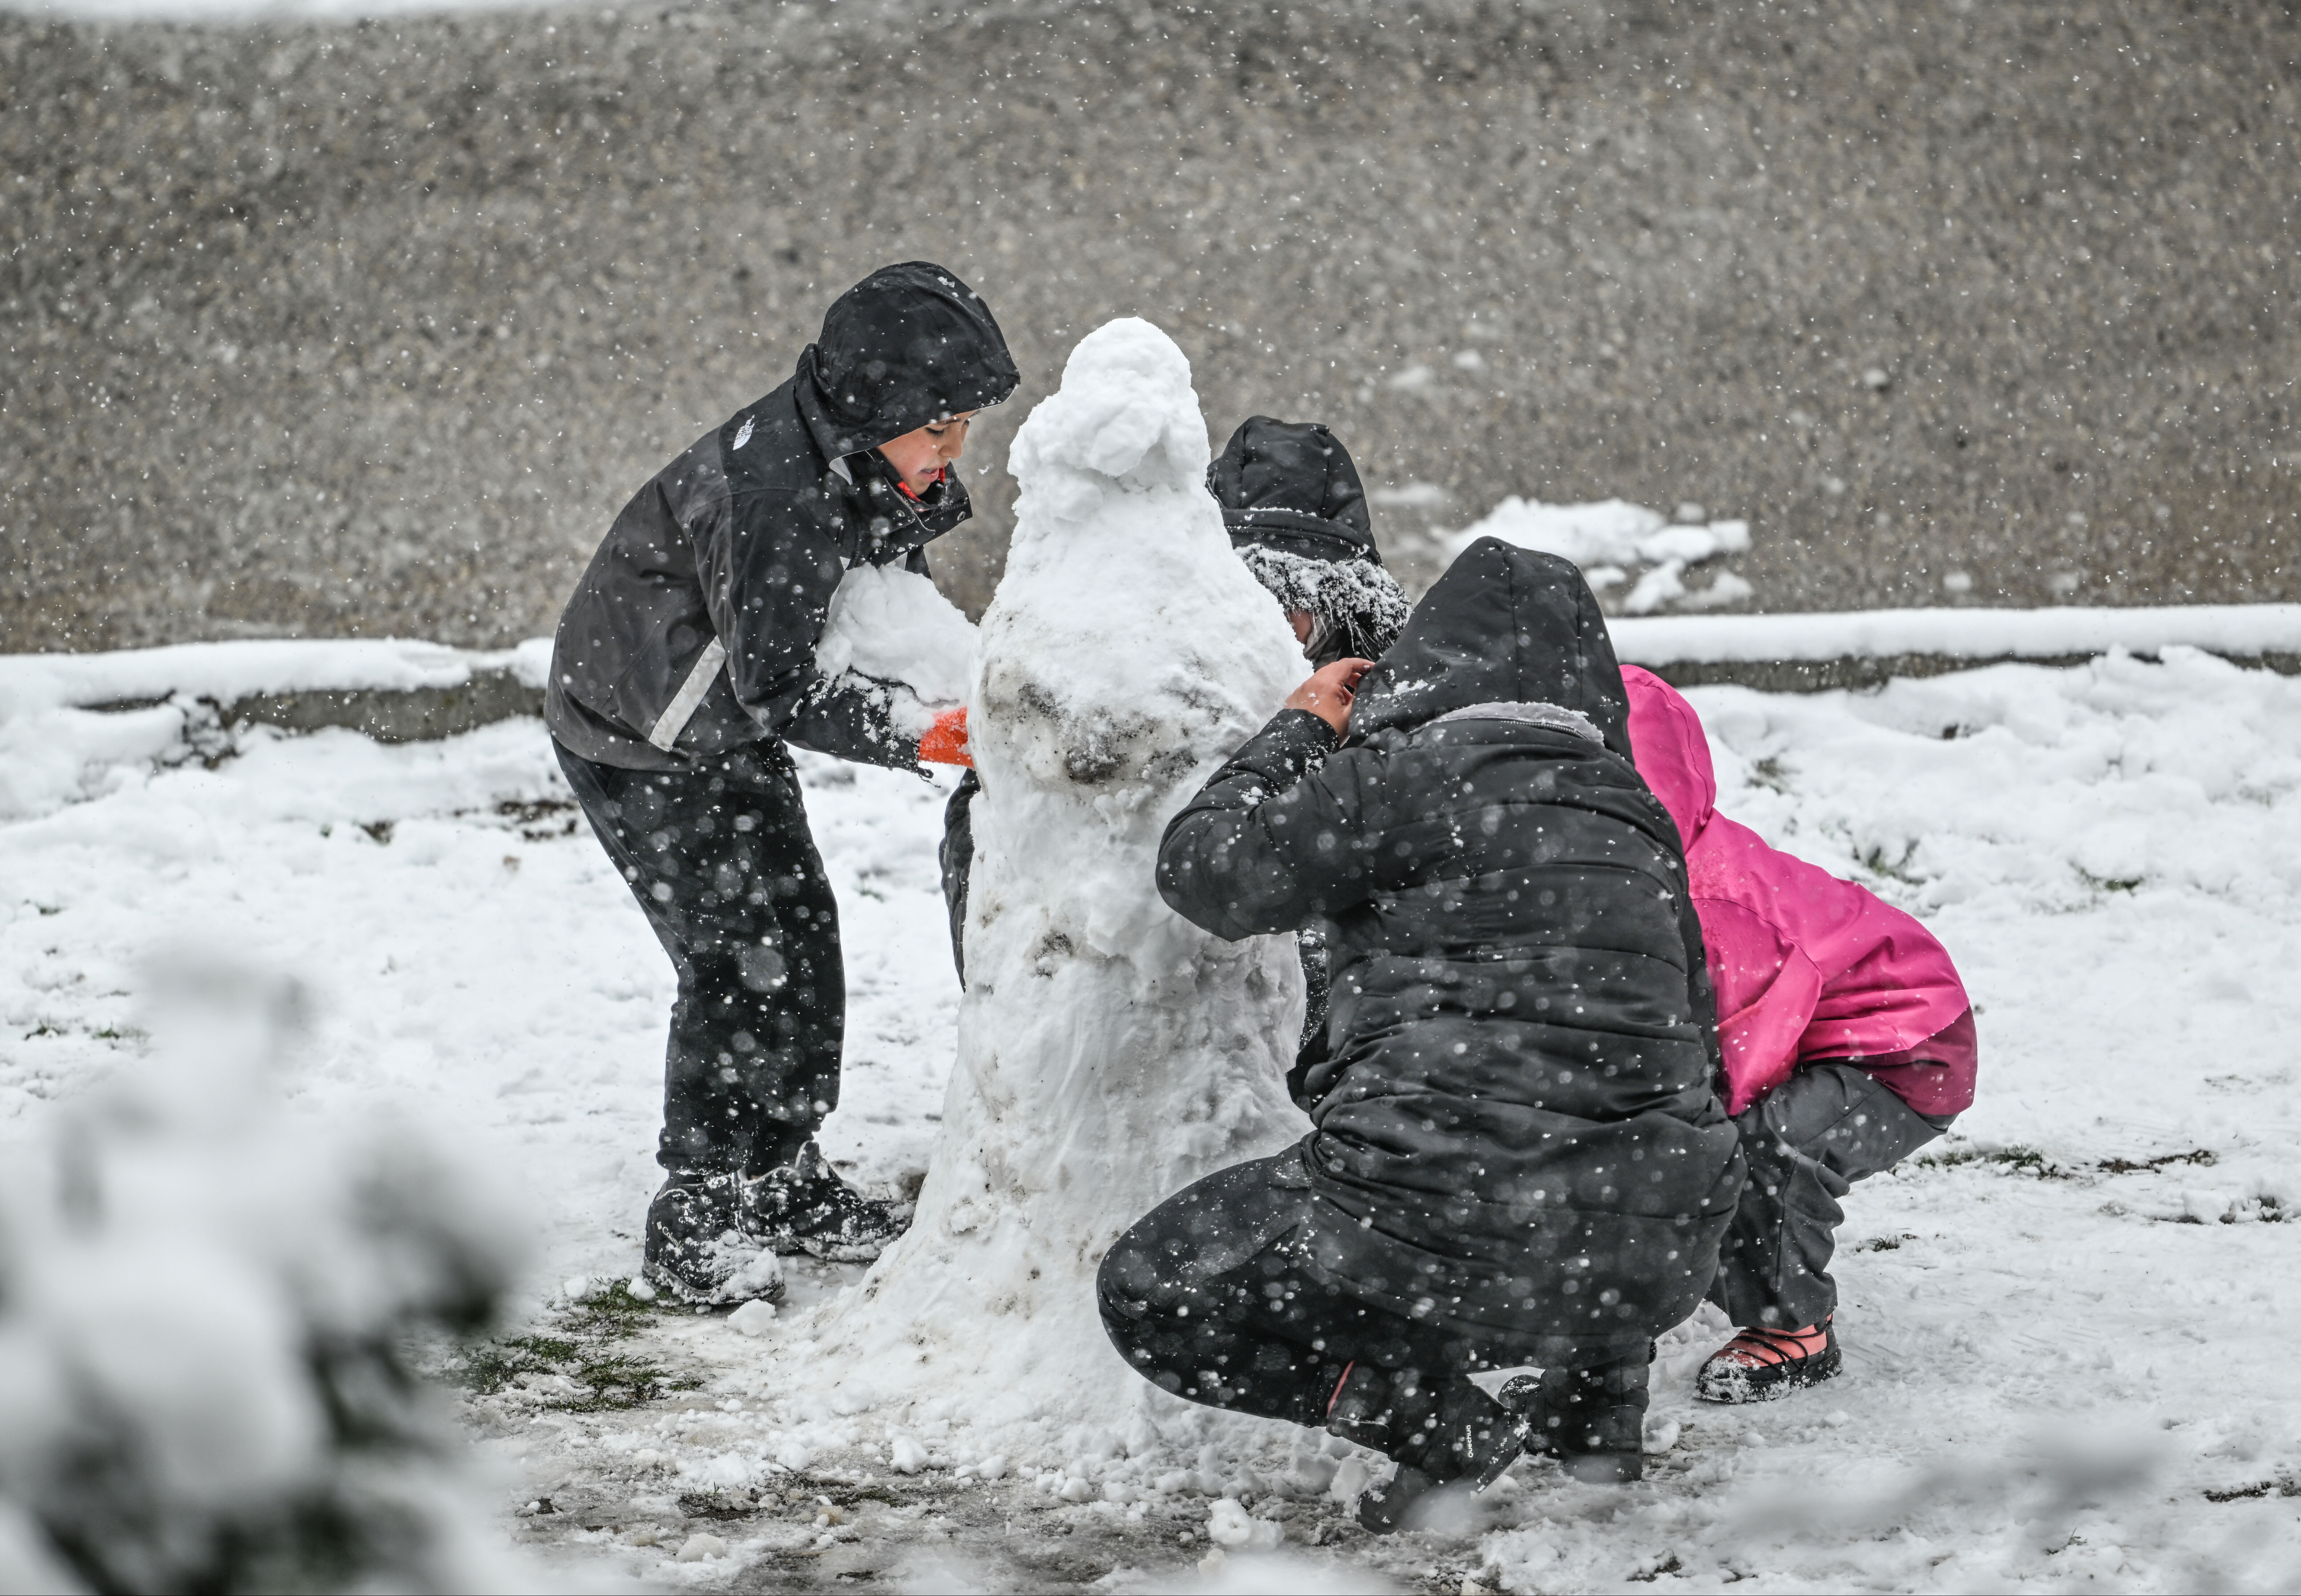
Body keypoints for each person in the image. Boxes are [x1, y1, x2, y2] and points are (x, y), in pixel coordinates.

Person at [1097, 538, 1746, 1527]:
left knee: (1153, 1291)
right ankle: (1594, 1422)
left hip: (1444, 1235)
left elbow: (1206, 871)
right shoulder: (1635, 817)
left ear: (1428, 664)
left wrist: (1297, 727)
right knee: (1610, 1147)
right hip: (1652, 1258)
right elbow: (1693, 1048)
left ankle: (1439, 1428)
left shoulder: (1400, 778)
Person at [545, 262, 1016, 1304]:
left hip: (717, 727)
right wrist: (923, 735)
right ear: (874, 410)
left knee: (798, 937)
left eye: (963, 425)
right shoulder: (774, 500)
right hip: (640, 732)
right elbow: (781, 688)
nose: (955, 448)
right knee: (733, 960)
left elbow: (867, 595)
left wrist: (913, 509)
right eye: (937, 426)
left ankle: (780, 1173)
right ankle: (699, 1205)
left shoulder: (847, 451)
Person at [934, 415, 1410, 1044]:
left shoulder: (1382, 701)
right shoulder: (1143, 662)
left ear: (1339, 602)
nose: (1267, 619)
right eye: (1248, 592)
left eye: (1288, 598)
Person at [1620, 667, 1977, 1401]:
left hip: (1908, 1046)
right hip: (1826, 1032)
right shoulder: (1638, 880)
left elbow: (1741, 1044)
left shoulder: (1710, 900)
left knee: (1766, 1149)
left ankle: (1796, 1329)